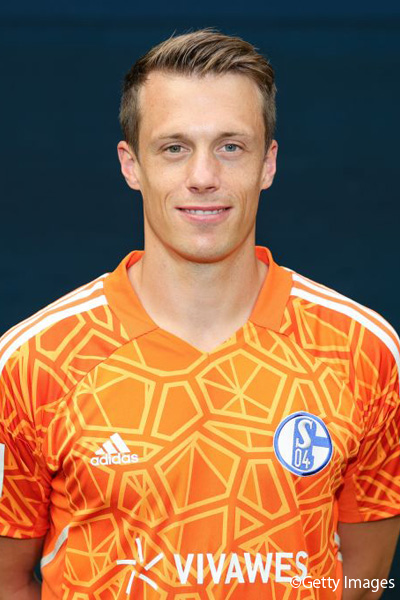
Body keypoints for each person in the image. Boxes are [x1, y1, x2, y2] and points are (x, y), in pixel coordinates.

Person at [0, 28, 399, 600]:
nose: (204, 176)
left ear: (268, 163)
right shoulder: (33, 362)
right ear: (131, 165)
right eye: (174, 148)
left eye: (231, 147)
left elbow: (367, 576)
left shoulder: (363, 351)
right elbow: (7, 578)